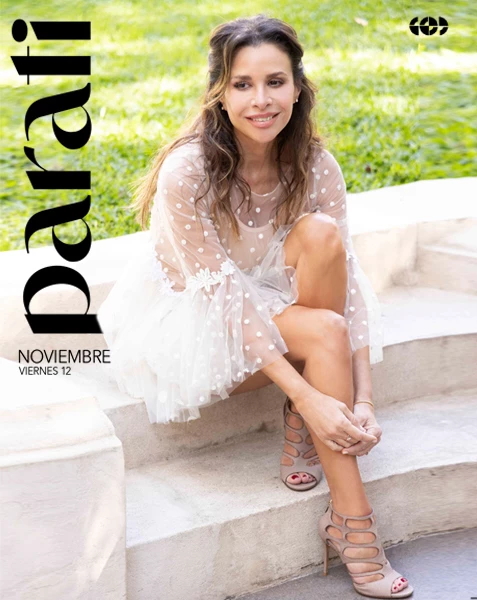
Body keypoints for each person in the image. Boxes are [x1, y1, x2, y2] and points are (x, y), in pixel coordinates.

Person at [97, 14, 413, 598]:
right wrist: (311, 397)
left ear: (298, 86)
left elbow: (347, 284)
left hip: (273, 309)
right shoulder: (188, 172)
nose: (261, 100)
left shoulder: (316, 164)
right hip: (194, 326)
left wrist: (363, 400)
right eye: (243, 84)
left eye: (275, 82)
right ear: (219, 91)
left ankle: (330, 485)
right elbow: (223, 300)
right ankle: (354, 523)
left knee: (323, 240)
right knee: (322, 334)